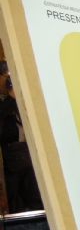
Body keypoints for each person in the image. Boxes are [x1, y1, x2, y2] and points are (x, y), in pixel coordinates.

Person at [0, 76, 43, 212]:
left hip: (26, 152)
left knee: (32, 189)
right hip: (12, 154)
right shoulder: (6, 106)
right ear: (9, 89)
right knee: (15, 191)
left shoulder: (25, 104)